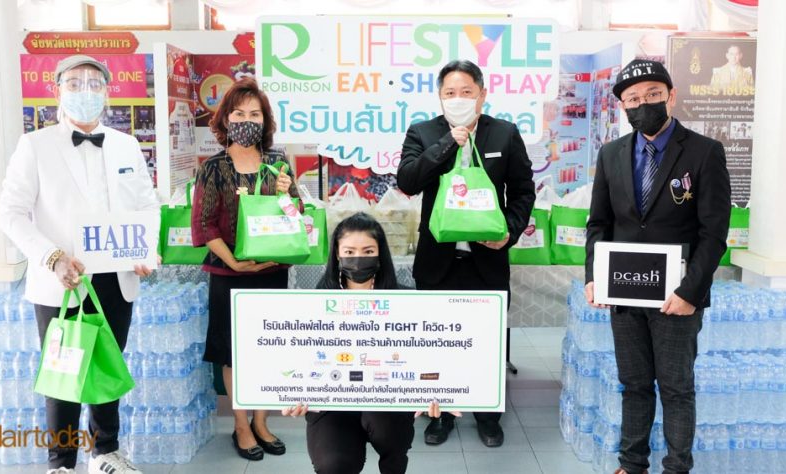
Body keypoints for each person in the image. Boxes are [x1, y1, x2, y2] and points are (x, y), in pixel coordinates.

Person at [0, 55, 159, 474]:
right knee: (63, 373)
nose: (85, 90)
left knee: (107, 365)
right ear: (57, 91)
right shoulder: (35, 145)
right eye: (74, 82)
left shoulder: (125, 144)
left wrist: (146, 250)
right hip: (62, 280)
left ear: (107, 92)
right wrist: (52, 257)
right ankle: (61, 463)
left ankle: (104, 452)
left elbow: (146, 205)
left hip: (116, 276)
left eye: (94, 83)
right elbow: (10, 213)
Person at [584, 60, 731, 474]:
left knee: (676, 388)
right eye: (632, 99)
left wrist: (690, 293)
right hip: (624, 291)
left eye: (652, 94)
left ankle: (676, 467)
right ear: (622, 107)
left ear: (671, 96)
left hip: (676, 298)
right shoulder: (611, 154)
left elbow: (713, 233)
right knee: (634, 384)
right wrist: (594, 277)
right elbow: (599, 224)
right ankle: (632, 464)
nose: (642, 104)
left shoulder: (704, 152)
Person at [396, 60, 536, 448]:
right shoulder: (424, 132)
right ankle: (439, 415)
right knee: (436, 343)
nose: (458, 99)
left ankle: (488, 415)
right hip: (437, 262)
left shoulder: (504, 133)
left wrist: (508, 232)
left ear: (482, 94)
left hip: (486, 261)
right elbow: (408, 181)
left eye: (466, 92)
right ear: (440, 97)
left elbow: (523, 190)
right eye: (450, 93)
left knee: (487, 343)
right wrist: (447, 143)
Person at [190, 77, 296, 461]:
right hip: (228, 275)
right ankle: (240, 424)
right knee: (233, 353)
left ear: (265, 120)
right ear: (226, 119)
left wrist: (286, 193)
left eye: (255, 114)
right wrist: (233, 260)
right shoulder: (213, 168)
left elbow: (296, 216)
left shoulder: (278, 162)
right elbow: (204, 224)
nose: (247, 120)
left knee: (267, 348)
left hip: (271, 270)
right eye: (239, 113)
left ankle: (262, 421)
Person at [283, 212, 416, 473]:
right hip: (332, 403)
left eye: (368, 251)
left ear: (380, 253)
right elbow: (297, 355)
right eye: (349, 251)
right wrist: (295, 392)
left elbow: (426, 355)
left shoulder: (406, 301)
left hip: (386, 400)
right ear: (337, 254)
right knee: (333, 464)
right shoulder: (313, 304)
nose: (358, 259)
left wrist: (433, 392)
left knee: (386, 428)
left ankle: (394, 464)